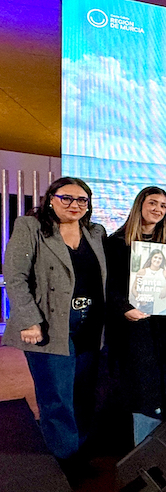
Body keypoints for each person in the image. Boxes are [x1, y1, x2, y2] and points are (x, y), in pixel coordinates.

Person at [4, 177, 106, 470]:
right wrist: (29, 320)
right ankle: (65, 461)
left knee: (83, 393)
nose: (75, 205)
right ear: (51, 199)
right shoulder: (31, 227)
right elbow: (16, 277)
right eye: (67, 198)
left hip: (90, 325)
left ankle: (80, 449)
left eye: (82, 200)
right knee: (56, 396)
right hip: (48, 327)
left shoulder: (95, 232)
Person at [105, 186, 166, 446]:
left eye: (163, 205)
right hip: (137, 328)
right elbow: (109, 285)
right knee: (144, 392)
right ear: (139, 205)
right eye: (153, 203)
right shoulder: (117, 242)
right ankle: (146, 454)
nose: (158, 209)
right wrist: (124, 308)